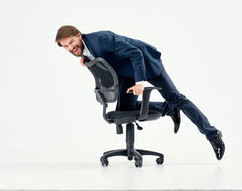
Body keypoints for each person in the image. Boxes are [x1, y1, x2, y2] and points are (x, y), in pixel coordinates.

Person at [56, 25, 225, 160]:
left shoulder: (101, 39)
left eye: (71, 42)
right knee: (124, 110)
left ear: (79, 35)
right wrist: (88, 61)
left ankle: (212, 134)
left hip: (146, 63)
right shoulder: (85, 51)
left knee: (176, 98)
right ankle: (168, 109)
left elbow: (135, 53)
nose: (71, 48)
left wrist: (139, 83)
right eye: (66, 46)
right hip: (126, 72)